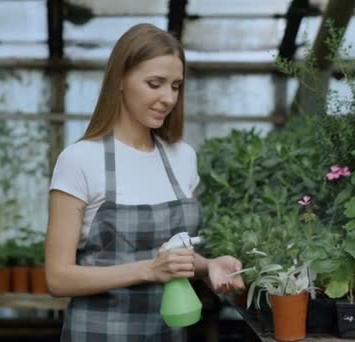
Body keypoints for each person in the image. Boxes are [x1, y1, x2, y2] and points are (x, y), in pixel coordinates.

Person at [45, 23, 245, 341]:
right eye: (155, 84)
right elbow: (58, 278)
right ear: (120, 80)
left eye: (176, 86)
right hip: (100, 333)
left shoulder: (183, 157)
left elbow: (175, 255)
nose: (168, 98)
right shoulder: (80, 159)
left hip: (170, 332)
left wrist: (209, 266)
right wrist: (148, 270)